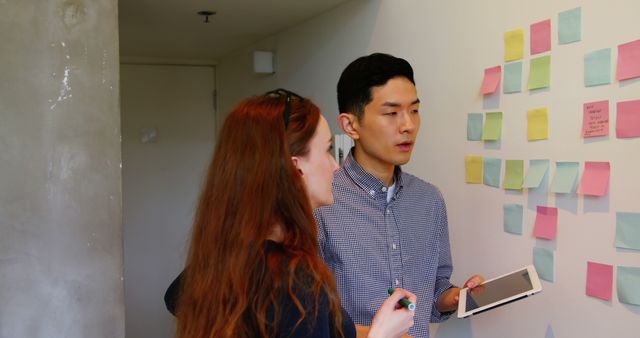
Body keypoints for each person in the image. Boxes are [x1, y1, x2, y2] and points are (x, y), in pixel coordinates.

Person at [171, 88, 417, 338]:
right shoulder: (295, 283)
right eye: (328, 150)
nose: (335, 166)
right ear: (295, 168)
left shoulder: (227, 259)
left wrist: (376, 330)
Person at [314, 53, 484, 338]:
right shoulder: (321, 203)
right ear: (350, 125)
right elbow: (310, 321)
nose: (408, 125)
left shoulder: (429, 200)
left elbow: (434, 290)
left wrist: (455, 296)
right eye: (391, 113)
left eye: (414, 110)